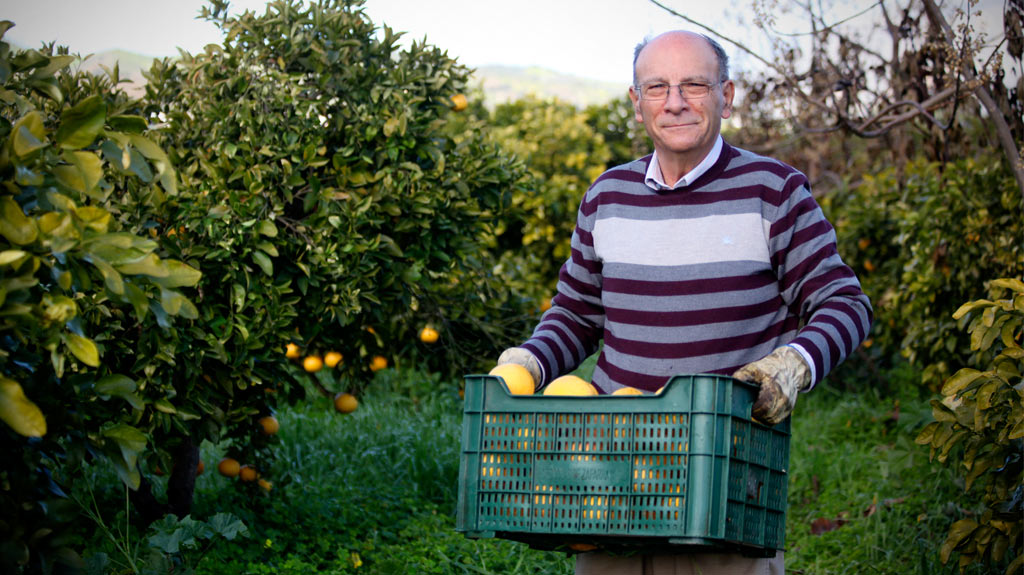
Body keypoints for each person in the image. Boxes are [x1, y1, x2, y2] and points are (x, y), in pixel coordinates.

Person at [495, 30, 873, 575]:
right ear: (636, 100)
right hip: (608, 482)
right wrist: (530, 359)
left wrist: (795, 365)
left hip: (721, 485)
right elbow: (577, 316)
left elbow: (844, 303)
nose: (675, 102)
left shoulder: (774, 192)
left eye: (694, 84)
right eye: (657, 87)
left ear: (727, 95)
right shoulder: (606, 197)